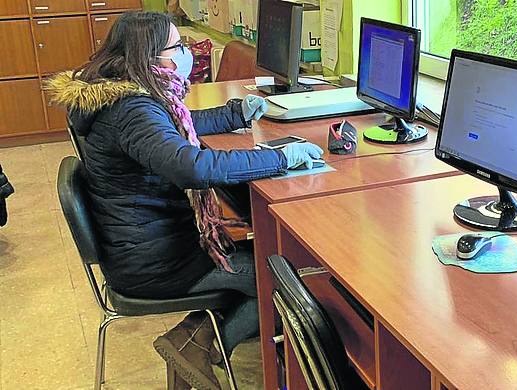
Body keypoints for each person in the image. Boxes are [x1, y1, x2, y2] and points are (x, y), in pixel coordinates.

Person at [45, 11, 323, 390]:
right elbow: (191, 168)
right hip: (155, 262)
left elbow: (171, 127)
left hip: (140, 245)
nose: (186, 53)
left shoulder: (118, 95)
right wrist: (281, 157)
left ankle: (197, 339)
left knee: (262, 251)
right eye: (177, 47)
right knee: (282, 279)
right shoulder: (131, 110)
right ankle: (195, 347)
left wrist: (232, 114)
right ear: (148, 57)